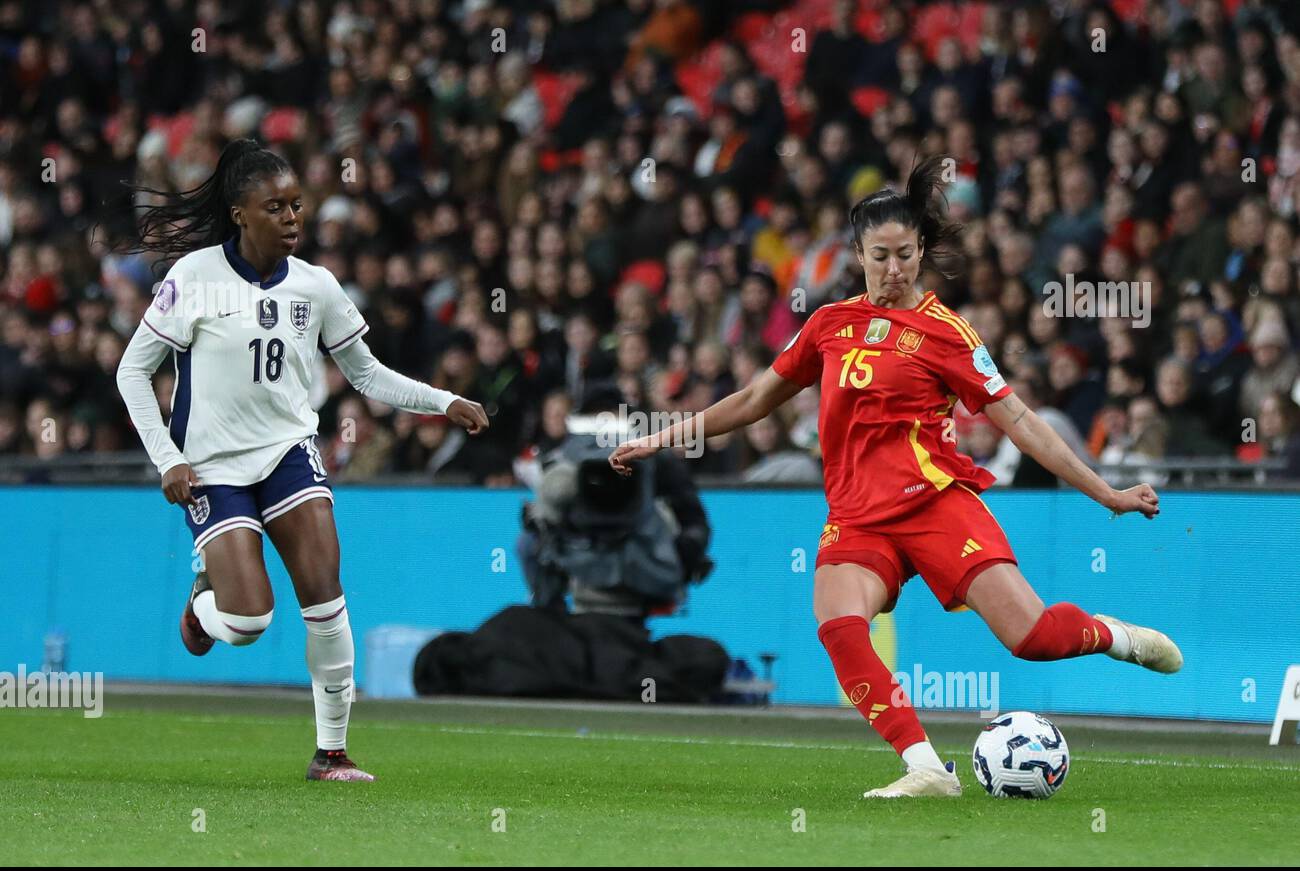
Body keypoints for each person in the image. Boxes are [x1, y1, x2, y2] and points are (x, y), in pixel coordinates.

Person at [610, 157, 1183, 799]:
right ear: (856, 253)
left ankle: (1116, 636)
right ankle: (927, 768)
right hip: (857, 514)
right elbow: (751, 400)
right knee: (837, 623)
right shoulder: (829, 325)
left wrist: (1105, 491)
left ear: (920, 252)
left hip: (934, 503)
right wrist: (663, 438)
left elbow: (1019, 419)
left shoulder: (948, 333)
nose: (893, 269)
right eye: (879, 255)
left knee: (1033, 638)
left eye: (905, 254)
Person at [114, 139, 488, 782]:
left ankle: (332, 753)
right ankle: (203, 607)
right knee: (248, 621)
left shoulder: (316, 286)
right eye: (275, 207)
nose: (292, 218)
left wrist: (442, 400)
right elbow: (132, 372)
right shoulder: (194, 278)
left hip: (288, 452)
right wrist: (167, 459)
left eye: (297, 206)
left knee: (326, 601)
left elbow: (367, 375)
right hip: (211, 468)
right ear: (239, 213)